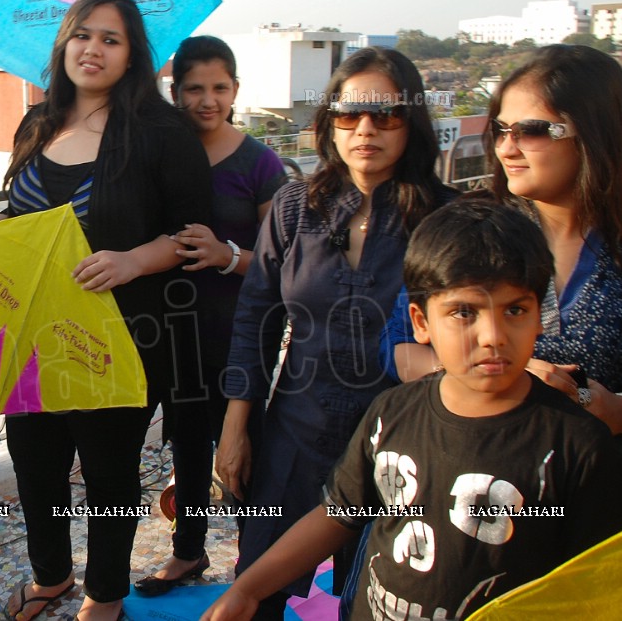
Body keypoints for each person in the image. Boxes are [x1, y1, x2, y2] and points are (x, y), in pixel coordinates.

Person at [0, 0, 211, 621]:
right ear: (64, 44)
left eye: (112, 39)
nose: (94, 49)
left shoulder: (161, 133)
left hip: (117, 335)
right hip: (30, 339)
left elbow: (194, 234)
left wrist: (134, 259)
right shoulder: (38, 122)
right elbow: (22, 229)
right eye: (83, 35)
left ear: (132, 53)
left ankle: (104, 596)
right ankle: (51, 576)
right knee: (36, 469)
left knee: (109, 476)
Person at [200, 199, 622, 621]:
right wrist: (249, 589)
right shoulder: (392, 412)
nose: (492, 335)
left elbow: (589, 586)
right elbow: (339, 514)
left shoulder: (577, 445)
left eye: (515, 310)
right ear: (420, 322)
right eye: (464, 312)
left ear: (540, 317)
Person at [215, 47, 454, 619]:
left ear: (411, 123)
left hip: (405, 440)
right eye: (349, 114)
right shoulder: (297, 205)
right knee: (258, 583)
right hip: (296, 430)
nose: (366, 129)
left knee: (377, 596)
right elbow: (256, 317)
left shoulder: (444, 217)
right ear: (328, 122)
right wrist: (236, 427)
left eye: (386, 115)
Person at [384, 44, 622, 434]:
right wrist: (491, 373)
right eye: (500, 130)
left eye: (532, 131)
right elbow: (399, 346)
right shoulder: (470, 226)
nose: (507, 149)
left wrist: (611, 409)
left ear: (595, 133)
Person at [134, 36, 286, 596]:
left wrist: (227, 256)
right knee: (190, 443)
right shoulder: (163, 155)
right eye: (193, 88)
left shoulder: (260, 163)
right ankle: (189, 552)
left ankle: (256, 561)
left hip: (239, 329)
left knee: (243, 444)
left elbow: (283, 263)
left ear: (236, 91)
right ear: (175, 93)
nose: (206, 100)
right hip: (176, 327)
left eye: (218, 88)